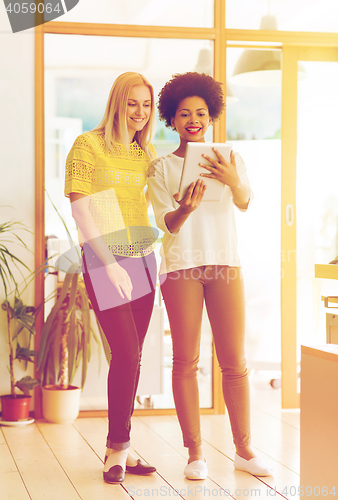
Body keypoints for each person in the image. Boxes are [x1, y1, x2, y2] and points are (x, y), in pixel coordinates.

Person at [147, 72, 274, 479]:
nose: (193, 119)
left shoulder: (230, 158)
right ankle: (194, 454)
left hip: (224, 264)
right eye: (184, 113)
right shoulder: (161, 167)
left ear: (212, 115)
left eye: (200, 112)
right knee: (185, 360)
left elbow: (245, 201)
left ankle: (244, 449)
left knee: (234, 362)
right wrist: (185, 207)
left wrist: (232, 179)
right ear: (172, 119)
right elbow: (166, 223)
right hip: (181, 267)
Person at [65, 72, 158, 484]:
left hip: (144, 260)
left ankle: (120, 447)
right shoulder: (88, 145)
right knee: (126, 352)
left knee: (132, 356)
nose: (140, 113)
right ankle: (117, 450)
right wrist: (112, 263)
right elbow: (82, 211)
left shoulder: (145, 153)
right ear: (117, 102)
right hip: (107, 261)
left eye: (146, 104)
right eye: (133, 103)